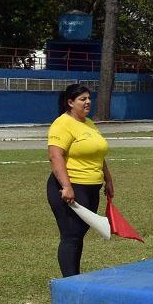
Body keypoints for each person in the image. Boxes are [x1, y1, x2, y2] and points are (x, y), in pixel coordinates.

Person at [47, 84, 114, 277]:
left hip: (92, 188)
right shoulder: (62, 124)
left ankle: (74, 278)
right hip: (71, 188)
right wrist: (66, 186)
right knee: (71, 235)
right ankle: (70, 283)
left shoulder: (88, 123)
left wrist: (107, 180)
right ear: (70, 102)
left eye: (89, 98)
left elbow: (98, 154)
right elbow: (55, 156)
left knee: (79, 234)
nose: (88, 102)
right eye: (82, 99)